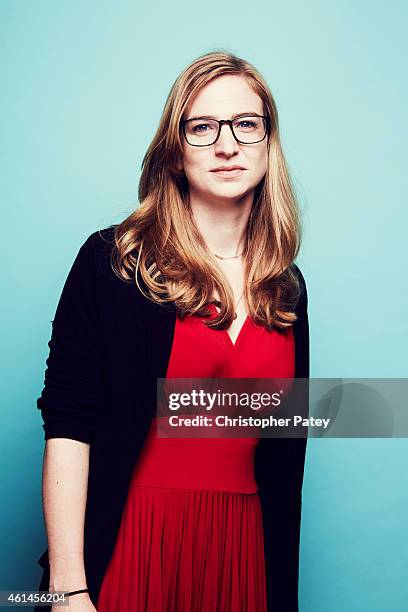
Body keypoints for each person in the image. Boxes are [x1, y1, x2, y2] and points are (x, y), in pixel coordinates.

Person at [35, 50, 310, 612]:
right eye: (203, 126)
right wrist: (68, 589)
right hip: (135, 541)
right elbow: (69, 424)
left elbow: (287, 461)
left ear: (267, 143)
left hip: (244, 553)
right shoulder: (113, 262)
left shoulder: (287, 286)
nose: (226, 144)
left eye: (246, 124)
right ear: (174, 148)